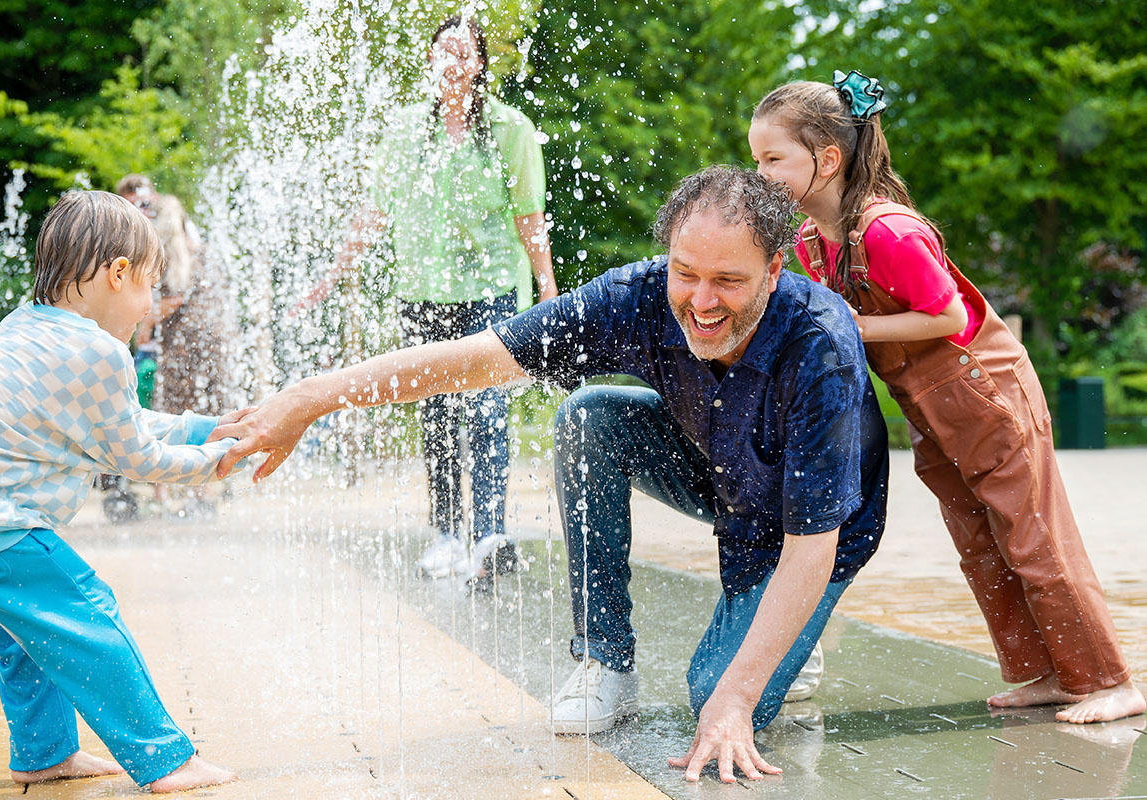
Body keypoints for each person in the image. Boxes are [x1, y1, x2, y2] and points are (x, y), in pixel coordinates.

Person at [211, 166, 890, 783]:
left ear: (773, 270)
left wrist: (736, 700)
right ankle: (605, 660)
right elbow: (475, 358)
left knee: (715, 694)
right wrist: (310, 398)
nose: (702, 300)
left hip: (818, 531)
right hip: (719, 471)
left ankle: (796, 625)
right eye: (686, 272)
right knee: (588, 416)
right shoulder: (637, 297)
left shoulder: (821, 346)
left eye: (728, 281)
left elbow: (812, 545)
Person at [749, 70, 1146, 724]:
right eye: (755, 159)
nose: (759, 174)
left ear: (828, 159)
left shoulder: (888, 232)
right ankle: (1050, 673)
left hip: (986, 395)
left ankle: (1111, 680)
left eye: (772, 159)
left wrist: (857, 327)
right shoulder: (810, 244)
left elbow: (947, 316)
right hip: (930, 410)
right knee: (979, 544)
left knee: (1034, 540)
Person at [0, 191, 247, 792]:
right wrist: (223, 458)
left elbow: (121, 422)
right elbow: (139, 458)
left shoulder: (29, 328)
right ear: (118, 274)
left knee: (21, 633)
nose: (151, 305)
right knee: (86, 613)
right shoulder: (99, 351)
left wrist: (205, 429)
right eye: (149, 286)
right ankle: (166, 760)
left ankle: (45, 753)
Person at [311, 16, 558, 579]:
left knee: (488, 408)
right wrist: (332, 274)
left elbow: (529, 214)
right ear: (430, 60)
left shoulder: (510, 129)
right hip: (423, 289)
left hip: (492, 287)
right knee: (438, 413)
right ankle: (446, 534)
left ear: (479, 64)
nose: (452, 60)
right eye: (443, 50)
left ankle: (489, 535)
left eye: (463, 51)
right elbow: (375, 209)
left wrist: (547, 286)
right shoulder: (405, 131)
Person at [118, 174, 235, 519]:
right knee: (206, 412)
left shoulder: (173, 251)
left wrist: (146, 324)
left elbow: (175, 296)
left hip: (185, 344)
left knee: (171, 413)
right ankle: (203, 494)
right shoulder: (201, 249)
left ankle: (169, 494)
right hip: (213, 342)